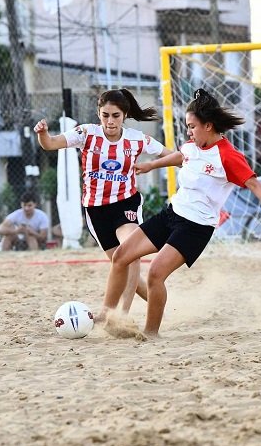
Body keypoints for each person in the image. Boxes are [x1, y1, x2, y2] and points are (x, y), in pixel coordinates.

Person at [99, 88, 261, 337]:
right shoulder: (193, 146)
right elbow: (180, 156)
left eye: (192, 126)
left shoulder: (228, 157)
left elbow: (253, 184)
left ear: (209, 125)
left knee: (155, 274)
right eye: (187, 126)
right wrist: (152, 164)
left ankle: (151, 334)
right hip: (172, 214)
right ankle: (108, 315)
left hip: (195, 227)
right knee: (121, 256)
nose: (189, 131)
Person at [34, 88, 172, 314]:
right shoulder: (86, 133)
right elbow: (50, 144)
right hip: (96, 210)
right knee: (123, 268)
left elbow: (172, 156)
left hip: (125, 203)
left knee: (131, 252)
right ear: (99, 114)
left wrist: (195, 156)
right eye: (105, 115)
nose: (110, 121)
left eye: (115, 116)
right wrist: (42, 134)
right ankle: (164, 307)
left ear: (124, 115)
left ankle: (122, 317)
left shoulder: (137, 139)